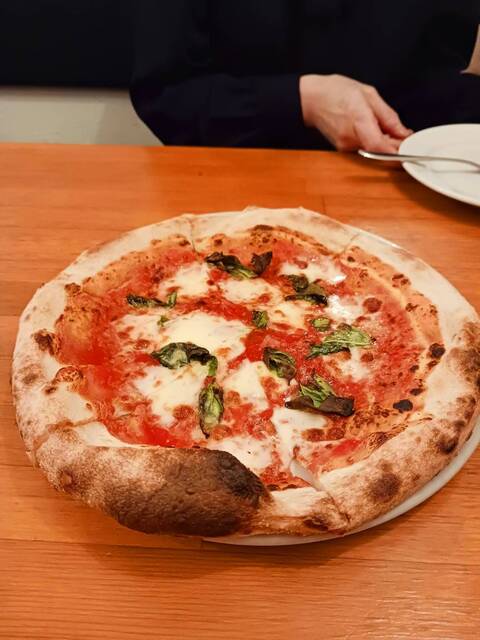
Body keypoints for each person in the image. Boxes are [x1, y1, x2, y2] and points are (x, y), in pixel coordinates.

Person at [130, 1, 480, 152]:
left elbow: (440, 82)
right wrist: (303, 101)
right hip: (226, 186)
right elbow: (165, 99)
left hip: (397, 192)